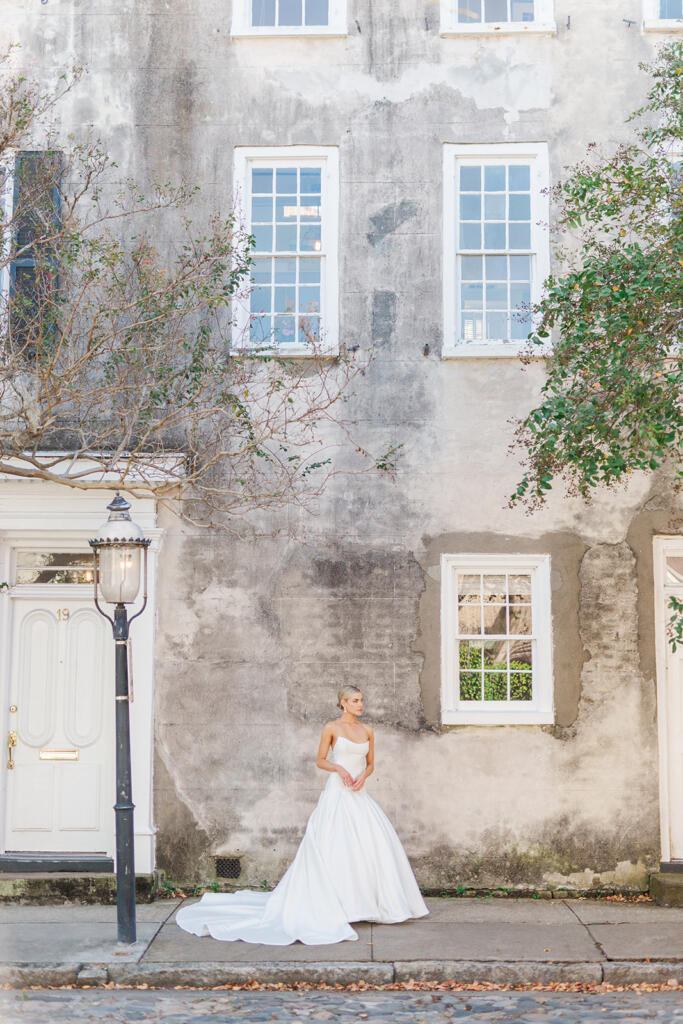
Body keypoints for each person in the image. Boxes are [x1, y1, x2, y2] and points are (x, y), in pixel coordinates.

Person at [175, 686, 429, 945]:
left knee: (368, 845)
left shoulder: (368, 731)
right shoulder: (332, 728)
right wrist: (339, 769)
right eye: (355, 701)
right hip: (337, 792)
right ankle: (336, 904)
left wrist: (363, 777)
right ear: (343, 703)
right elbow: (320, 760)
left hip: (358, 793)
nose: (360, 704)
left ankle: (367, 904)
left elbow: (371, 762)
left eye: (361, 700)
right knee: (333, 844)